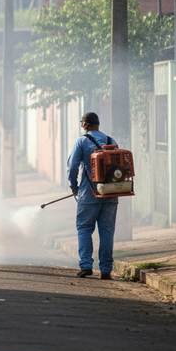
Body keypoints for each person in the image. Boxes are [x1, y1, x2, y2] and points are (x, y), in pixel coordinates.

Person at [67, 112, 118, 280]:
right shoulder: (112, 141)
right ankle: (106, 269)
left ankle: (86, 266)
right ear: (98, 123)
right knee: (107, 232)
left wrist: (74, 186)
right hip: (110, 195)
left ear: (84, 125)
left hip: (88, 195)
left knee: (84, 229)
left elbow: (72, 167)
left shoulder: (82, 141)